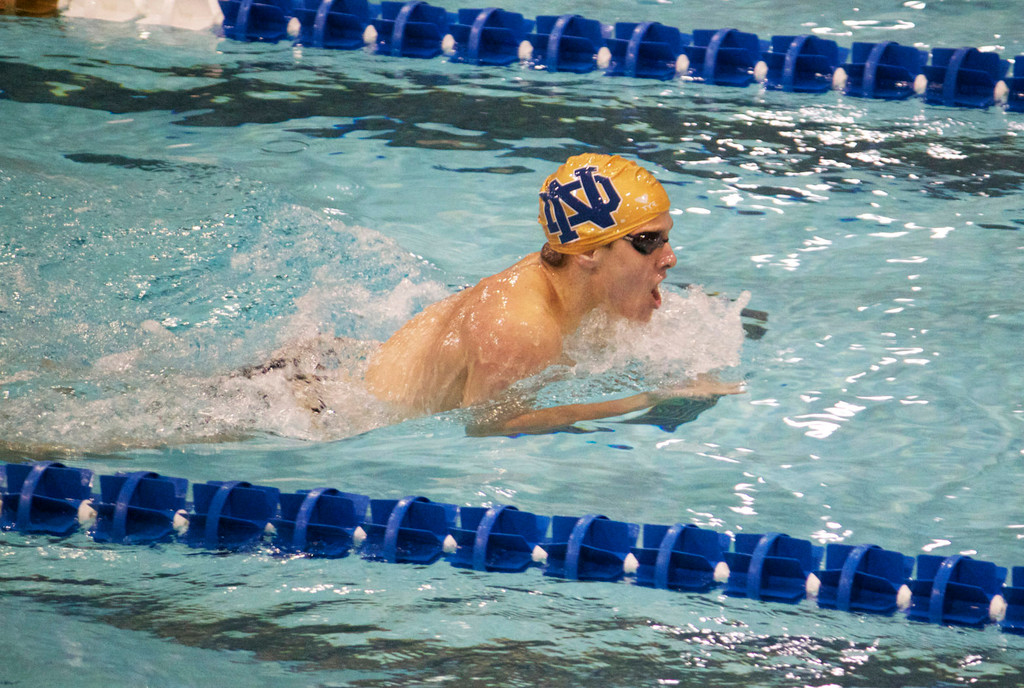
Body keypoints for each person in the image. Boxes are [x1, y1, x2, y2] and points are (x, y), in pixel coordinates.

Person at [364, 153, 742, 434]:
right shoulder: (520, 328)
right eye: (648, 241)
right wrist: (650, 398)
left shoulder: (576, 289)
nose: (670, 258)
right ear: (588, 252)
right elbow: (488, 426)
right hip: (329, 411)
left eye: (666, 237)